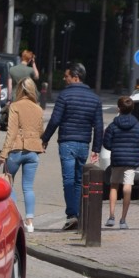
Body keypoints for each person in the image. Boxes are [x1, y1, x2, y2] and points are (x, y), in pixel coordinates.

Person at [41, 62, 104, 231]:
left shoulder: (64, 96)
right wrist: (96, 148)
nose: (64, 78)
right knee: (78, 180)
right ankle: (78, 214)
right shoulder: (94, 98)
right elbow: (98, 126)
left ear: (76, 77)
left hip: (67, 142)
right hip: (84, 143)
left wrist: (44, 139)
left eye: (67, 76)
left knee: (68, 180)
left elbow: (55, 120)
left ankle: (72, 215)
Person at [0, 79, 44, 234]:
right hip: (33, 152)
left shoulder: (15, 106)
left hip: (16, 150)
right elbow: (40, 131)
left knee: (8, 183)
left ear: (19, 90)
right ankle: (30, 222)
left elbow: (11, 133)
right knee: (28, 187)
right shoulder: (38, 108)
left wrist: (3, 153)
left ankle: (13, 218)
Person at [101, 95, 139, 230]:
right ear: (132, 109)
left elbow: (107, 143)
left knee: (114, 186)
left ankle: (111, 216)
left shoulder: (113, 125)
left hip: (117, 159)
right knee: (127, 187)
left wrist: (115, 148)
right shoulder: (138, 126)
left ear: (118, 108)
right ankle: (123, 219)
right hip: (131, 160)